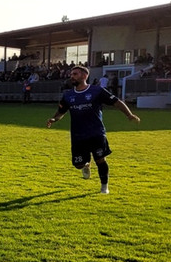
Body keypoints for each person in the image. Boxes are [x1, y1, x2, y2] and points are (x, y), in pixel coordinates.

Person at [46, 65, 140, 195]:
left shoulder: (97, 91)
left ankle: (104, 187)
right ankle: (85, 165)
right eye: (71, 74)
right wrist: (54, 119)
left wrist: (129, 115)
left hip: (96, 132)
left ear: (85, 76)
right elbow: (61, 111)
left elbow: (117, 102)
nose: (72, 76)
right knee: (78, 164)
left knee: (100, 159)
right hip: (78, 135)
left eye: (75, 74)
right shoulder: (68, 95)